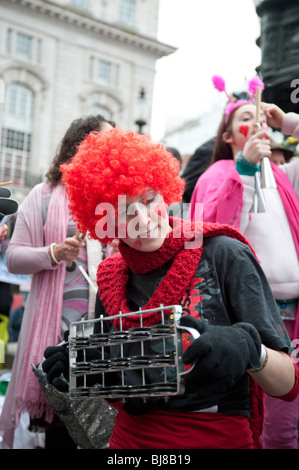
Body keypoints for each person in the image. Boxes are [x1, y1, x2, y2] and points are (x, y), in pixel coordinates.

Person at [42, 126, 299, 449]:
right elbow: (119, 397)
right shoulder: (111, 276)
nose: (143, 220)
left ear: (165, 192)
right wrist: (86, 368)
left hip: (216, 436)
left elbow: (288, 384)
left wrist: (252, 350)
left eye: (149, 200)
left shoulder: (224, 253)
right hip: (129, 443)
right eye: (124, 211)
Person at [188, 91, 299, 449]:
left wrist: (288, 121)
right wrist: (245, 170)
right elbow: (208, 235)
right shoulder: (215, 175)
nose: (259, 127)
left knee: (290, 418)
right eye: (246, 120)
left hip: (295, 312)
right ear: (227, 136)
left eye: (263, 122)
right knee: (274, 428)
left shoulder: (282, 174)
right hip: (255, 321)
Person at [0, 114, 115, 449]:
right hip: (55, 332)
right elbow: (14, 258)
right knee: (57, 424)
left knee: (98, 427)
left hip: (102, 331)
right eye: (101, 140)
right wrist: (54, 252)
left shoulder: (116, 197)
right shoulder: (44, 195)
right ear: (79, 144)